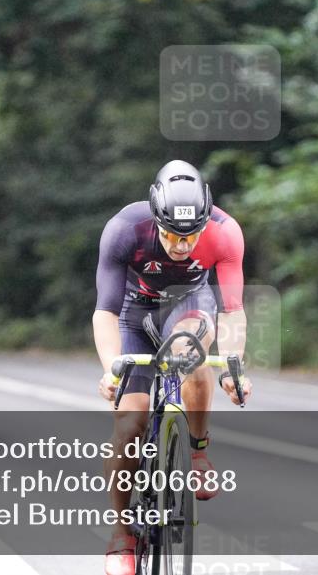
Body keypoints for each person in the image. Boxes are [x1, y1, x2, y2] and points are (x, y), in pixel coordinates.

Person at [94, 160, 252, 575]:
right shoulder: (124, 229)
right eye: (171, 234)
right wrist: (113, 368)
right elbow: (105, 312)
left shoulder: (225, 233)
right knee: (130, 424)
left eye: (190, 235)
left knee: (193, 352)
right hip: (134, 313)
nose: (182, 245)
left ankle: (197, 455)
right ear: (155, 217)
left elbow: (232, 313)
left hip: (189, 306)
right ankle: (121, 531)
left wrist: (235, 367)